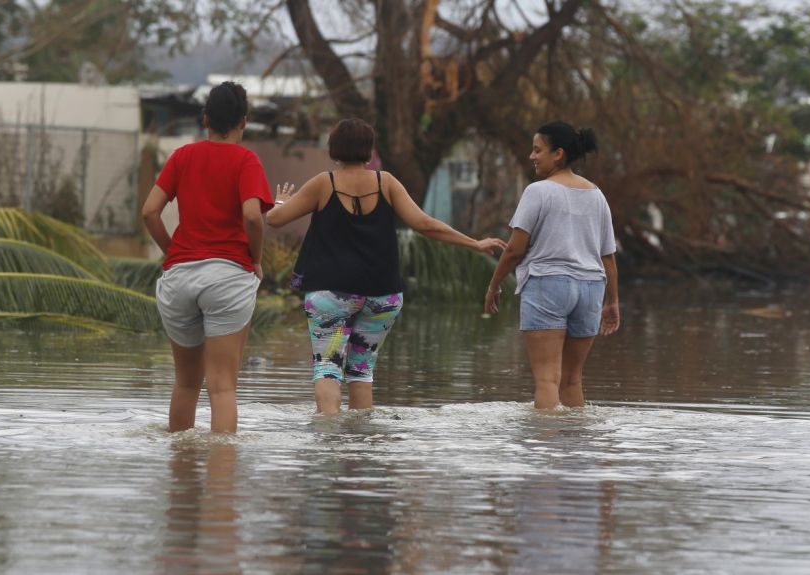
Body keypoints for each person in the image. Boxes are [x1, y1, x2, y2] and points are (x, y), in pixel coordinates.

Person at [267, 118, 506, 415]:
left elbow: (275, 220)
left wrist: (280, 202)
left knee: (327, 367)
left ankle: (328, 437)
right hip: (382, 297)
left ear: (333, 149)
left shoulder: (323, 183)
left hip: (331, 296)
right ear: (369, 150)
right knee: (361, 369)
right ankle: (361, 436)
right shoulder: (386, 182)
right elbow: (425, 224)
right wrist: (474, 243)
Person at [141, 81, 273, 433]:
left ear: (205, 119)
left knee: (186, 383)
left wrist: (174, 253)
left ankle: (180, 462)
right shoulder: (246, 160)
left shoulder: (182, 156)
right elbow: (252, 216)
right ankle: (222, 467)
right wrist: (256, 259)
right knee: (222, 387)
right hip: (228, 278)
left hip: (179, 279)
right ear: (243, 121)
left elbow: (149, 212)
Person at [484, 121, 620, 409]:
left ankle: (545, 438)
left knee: (547, 380)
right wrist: (613, 302)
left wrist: (494, 285)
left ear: (558, 154)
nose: (532, 156)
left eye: (538, 150)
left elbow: (514, 250)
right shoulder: (597, 195)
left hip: (548, 284)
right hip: (591, 288)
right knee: (572, 380)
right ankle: (575, 439)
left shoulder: (539, 191)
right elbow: (607, 256)